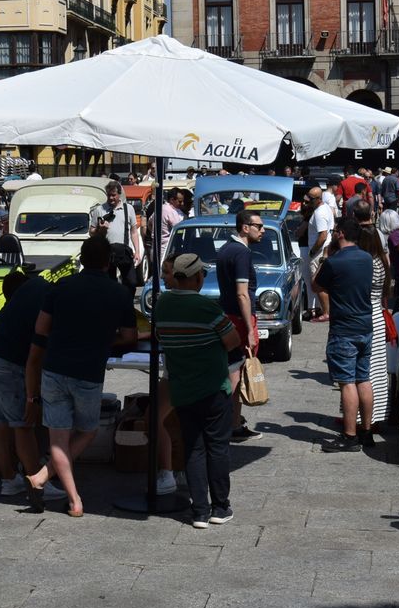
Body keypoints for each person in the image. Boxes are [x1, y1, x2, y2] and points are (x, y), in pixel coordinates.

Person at [24, 235, 137, 517]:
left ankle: (71, 497)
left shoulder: (61, 286)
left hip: (54, 368)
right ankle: (47, 481)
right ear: (108, 261)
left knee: (58, 438)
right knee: (87, 431)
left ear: (82, 259)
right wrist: (102, 338)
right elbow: (129, 336)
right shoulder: (118, 293)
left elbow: (41, 327)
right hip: (88, 371)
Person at [154, 252, 241, 528]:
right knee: (217, 447)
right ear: (194, 278)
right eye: (201, 274)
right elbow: (232, 341)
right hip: (213, 388)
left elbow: (160, 336)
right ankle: (220, 507)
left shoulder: (162, 304)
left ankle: (200, 510)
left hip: (182, 388)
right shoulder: (208, 308)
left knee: (193, 448)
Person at [0, 268, 57, 504]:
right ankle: (37, 480)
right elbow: (35, 357)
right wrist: (33, 398)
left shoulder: (26, 295)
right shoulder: (47, 300)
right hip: (8, 365)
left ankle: (9, 480)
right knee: (23, 424)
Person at [314, 217, 375, 453]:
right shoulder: (367, 258)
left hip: (344, 328)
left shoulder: (334, 262)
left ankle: (349, 437)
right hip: (365, 325)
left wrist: (326, 255)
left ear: (339, 233)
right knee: (363, 378)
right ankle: (366, 431)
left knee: (347, 382)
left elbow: (315, 285)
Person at [216, 207, 264, 441]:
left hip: (227, 316)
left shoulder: (226, 249)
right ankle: (232, 424)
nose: (262, 230)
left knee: (231, 370)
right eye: (259, 226)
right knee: (237, 372)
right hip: (239, 319)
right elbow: (242, 294)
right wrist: (250, 329)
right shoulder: (242, 253)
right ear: (245, 228)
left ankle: (231, 420)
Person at [351, 203, 392, 440]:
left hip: (365, 314)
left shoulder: (366, 263)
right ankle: (373, 417)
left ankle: (361, 419)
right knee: (375, 370)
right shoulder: (380, 262)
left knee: (363, 371)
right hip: (376, 313)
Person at [89, 180, 143, 288]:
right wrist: (100, 229)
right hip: (106, 252)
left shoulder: (128, 208)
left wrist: (137, 252)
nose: (111, 198)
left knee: (131, 283)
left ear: (119, 195)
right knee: (109, 284)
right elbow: (91, 232)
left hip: (124, 251)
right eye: (109, 195)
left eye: (113, 195)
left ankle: (127, 302)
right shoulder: (99, 210)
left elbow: (134, 232)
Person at [303, 186, 335, 320]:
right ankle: (323, 310)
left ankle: (326, 313)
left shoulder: (319, 213)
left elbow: (322, 236)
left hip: (319, 252)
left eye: (309, 200)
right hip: (325, 250)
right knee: (322, 283)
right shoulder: (325, 208)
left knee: (318, 283)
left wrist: (312, 251)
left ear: (317, 199)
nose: (306, 202)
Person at [160, 187, 188, 261]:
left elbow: (150, 223)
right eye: (179, 201)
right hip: (167, 249)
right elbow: (179, 230)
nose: (182, 204)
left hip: (156, 247)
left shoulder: (159, 208)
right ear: (172, 200)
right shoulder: (172, 212)